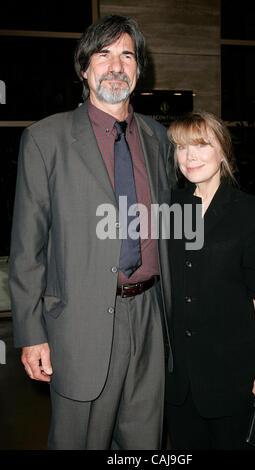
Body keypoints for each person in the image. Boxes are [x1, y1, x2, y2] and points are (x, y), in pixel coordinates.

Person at [9, 14, 174, 450]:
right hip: (79, 326)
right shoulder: (46, 140)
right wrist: (31, 334)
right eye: (103, 55)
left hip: (150, 317)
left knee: (144, 444)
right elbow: (28, 248)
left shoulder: (158, 140)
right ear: (85, 68)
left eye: (127, 55)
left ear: (139, 69)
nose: (116, 65)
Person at [165, 112, 255, 450]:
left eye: (201, 145)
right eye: (181, 147)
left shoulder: (251, 214)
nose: (190, 157)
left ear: (223, 151)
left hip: (233, 375)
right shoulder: (170, 209)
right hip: (179, 383)